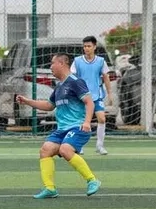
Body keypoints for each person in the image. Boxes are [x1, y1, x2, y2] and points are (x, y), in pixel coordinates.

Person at [17, 53, 101, 199]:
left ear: (62, 64)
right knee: (45, 150)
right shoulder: (59, 86)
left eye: (52, 63)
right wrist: (27, 101)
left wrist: (87, 122)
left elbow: (89, 102)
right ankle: (50, 189)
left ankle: (92, 180)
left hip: (78, 127)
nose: (50, 67)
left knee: (65, 150)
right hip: (62, 129)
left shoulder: (75, 81)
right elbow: (49, 106)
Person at [71, 35, 113, 155]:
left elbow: (106, 77)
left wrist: (110, 94)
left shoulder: (101, 61)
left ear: (94, 47)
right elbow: (72, 77)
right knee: (83, 121)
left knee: (102, 118)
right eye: (84, 46)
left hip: (96, 96)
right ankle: (79, 146)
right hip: (82, 97)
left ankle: (100, 146)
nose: (86, 48)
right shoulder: (77, 61)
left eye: (89, 46)